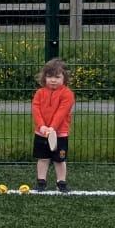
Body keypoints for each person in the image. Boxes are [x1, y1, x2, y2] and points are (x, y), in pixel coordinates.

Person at [33, 57, 76, 193]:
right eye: (49, 76)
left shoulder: (68, 94)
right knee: (43, 158)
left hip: (60, 134)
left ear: (64, 78)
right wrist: (42, 126)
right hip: (41, 133)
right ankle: (41, 182)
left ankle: (61, 182)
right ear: (44, 77)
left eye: (57, 77)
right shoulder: (39, 93)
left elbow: (61, 113)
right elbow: (36, 110)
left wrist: (52, 128)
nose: (53, 80)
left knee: (59, 160)